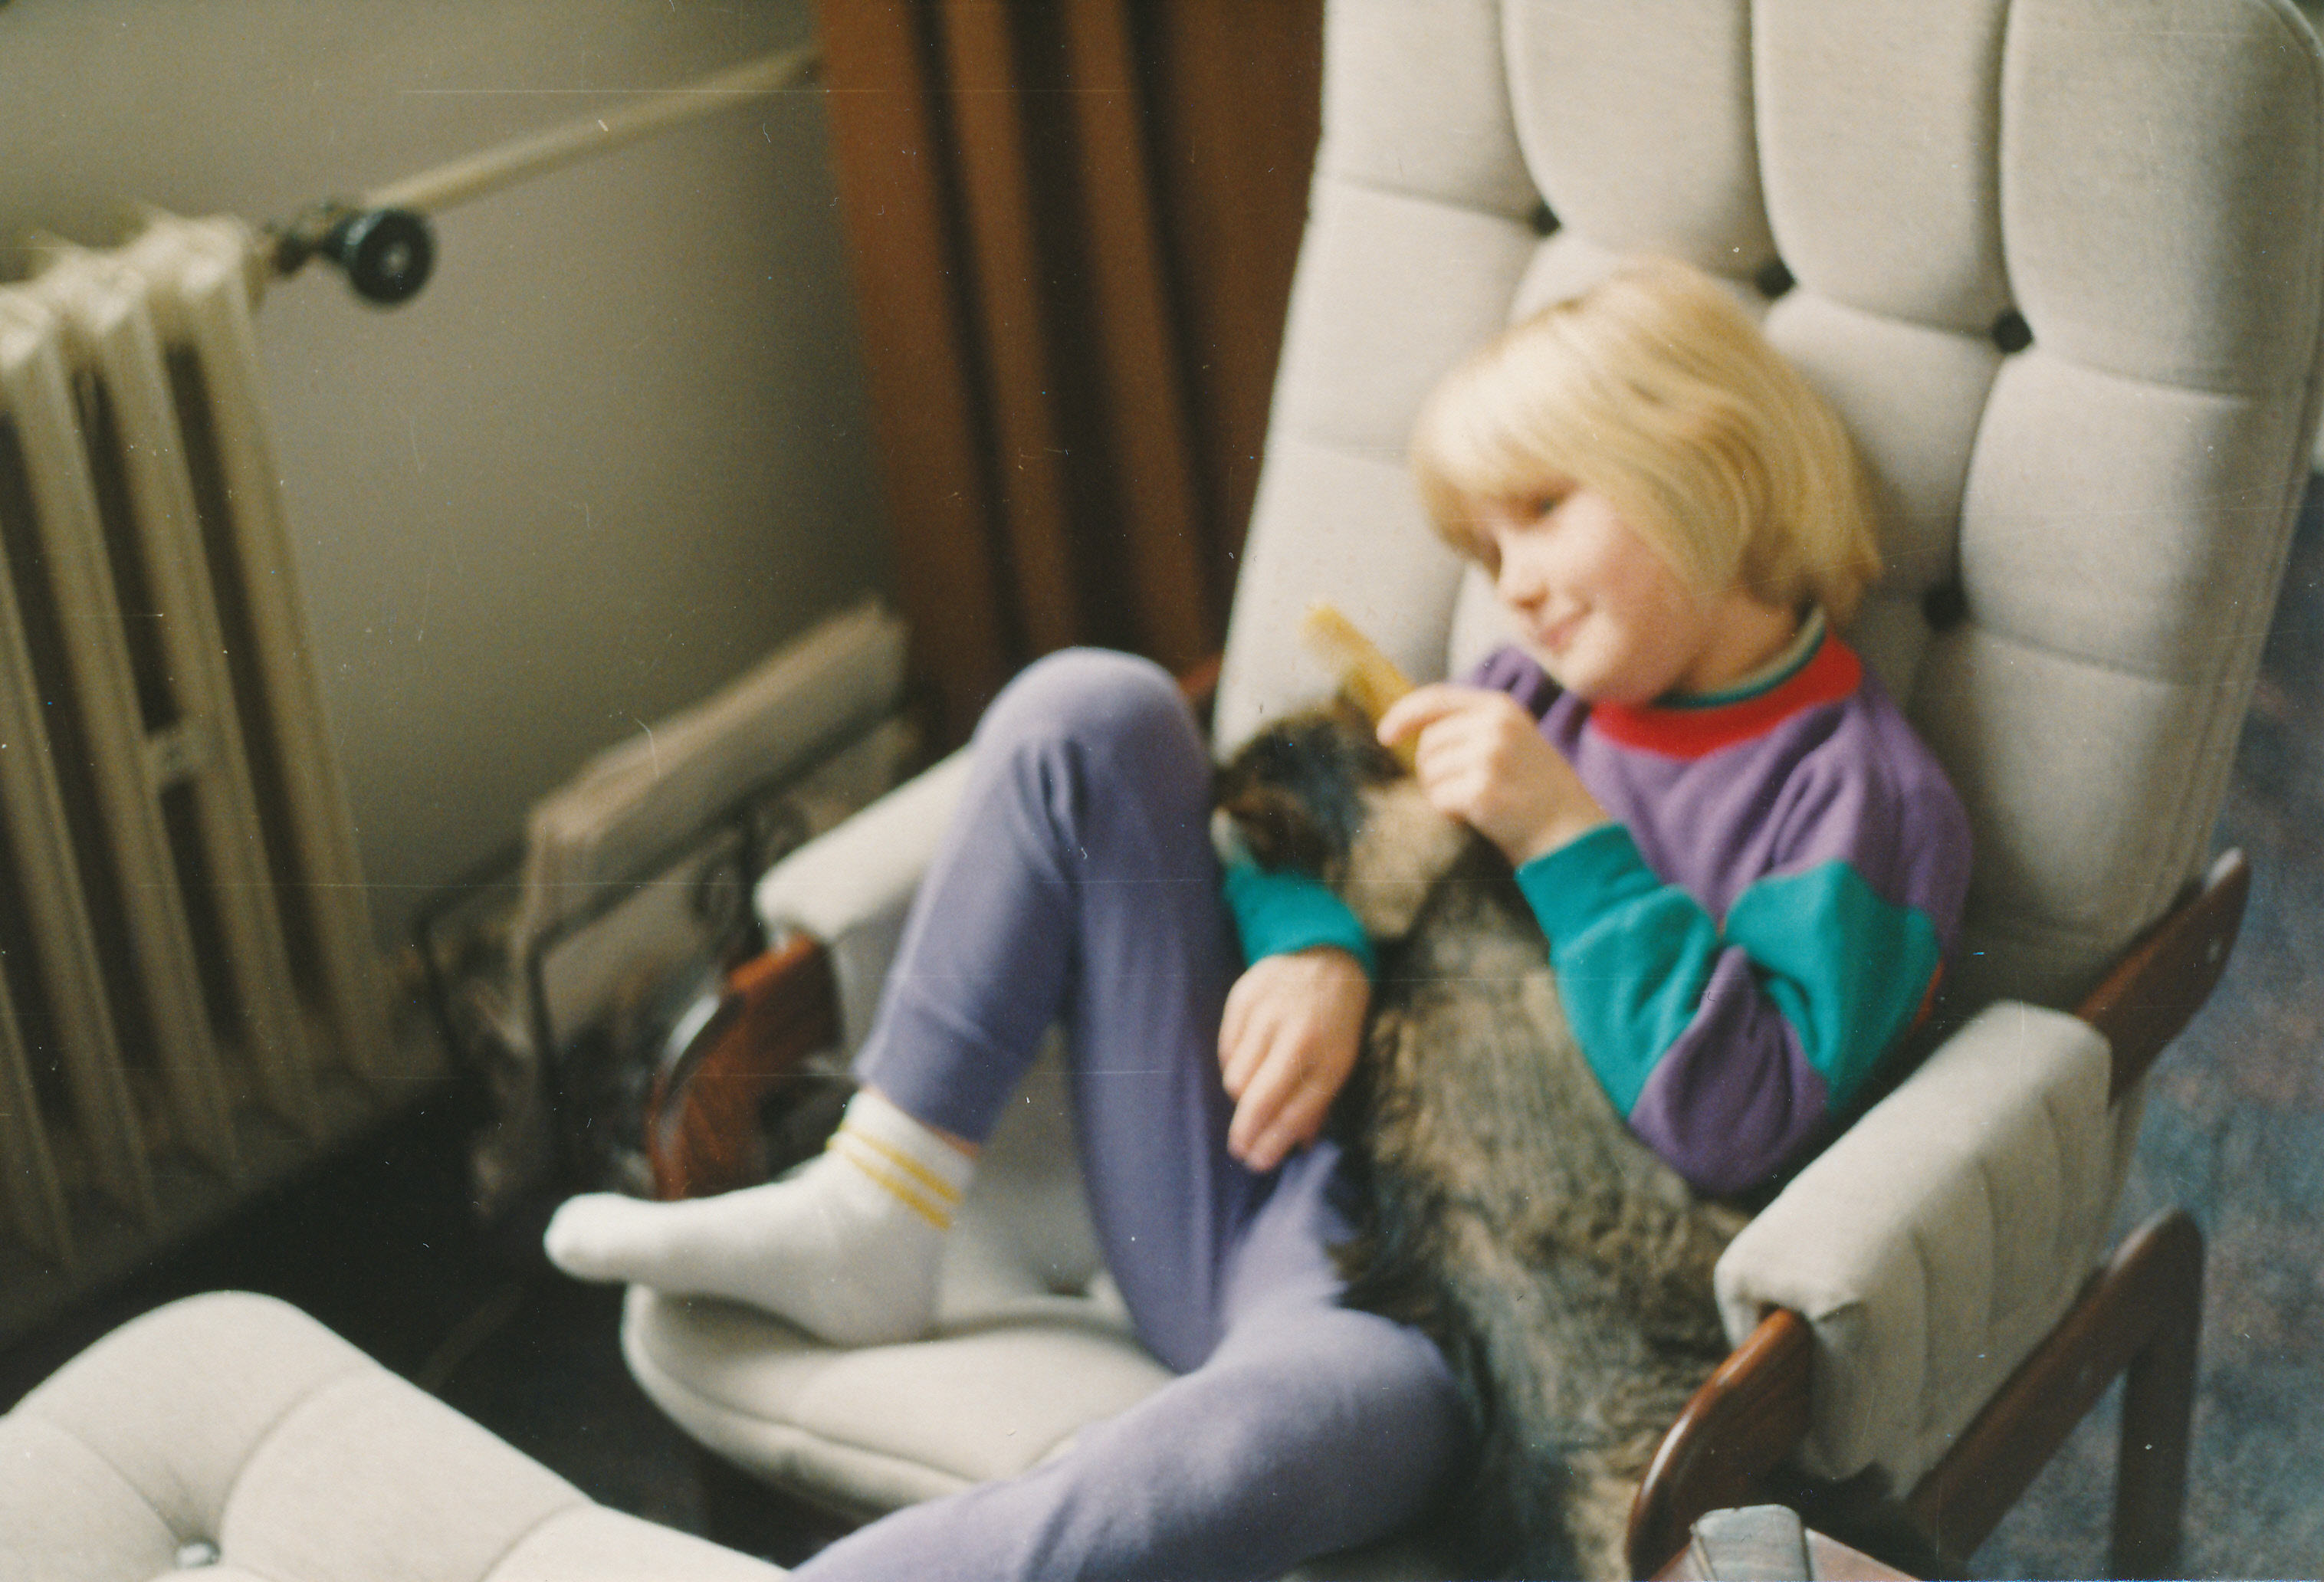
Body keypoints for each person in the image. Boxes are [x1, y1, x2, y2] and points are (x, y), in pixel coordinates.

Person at [541, 256, 1971, 1579]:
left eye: (1542, 510)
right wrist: (1316, 950)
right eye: (1485, 548)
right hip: (1237, 1184)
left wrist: (1563, 837)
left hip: (1442, 1334)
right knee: (1089, 712)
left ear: (1712, 461)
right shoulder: (1530, 694)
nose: (1515, 586)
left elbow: (1741, 1119)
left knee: (1150, 1494)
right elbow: (1297, 835)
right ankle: (878, 1209)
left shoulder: (1860, 801)